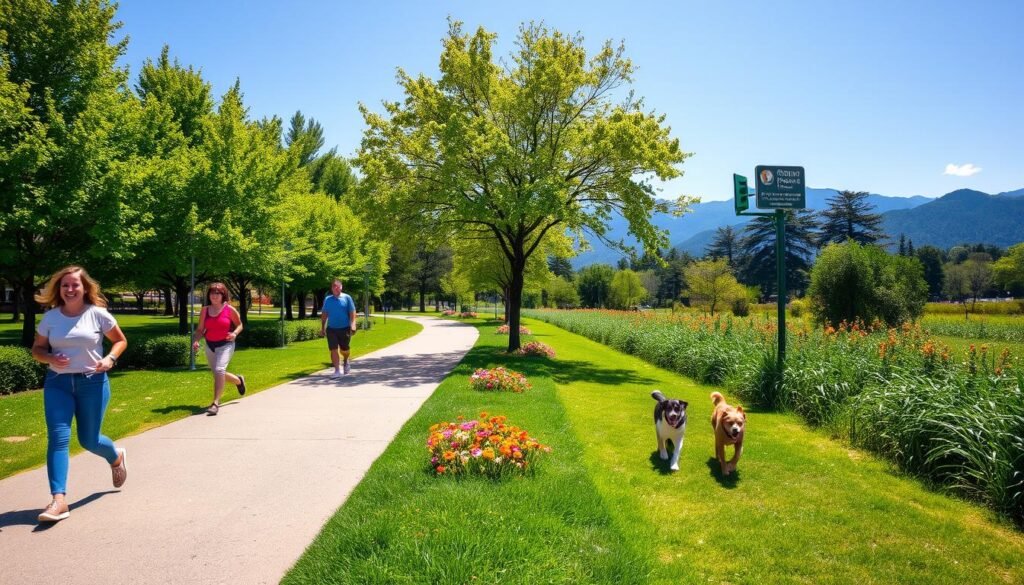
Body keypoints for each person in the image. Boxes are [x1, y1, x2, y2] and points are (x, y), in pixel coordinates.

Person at [30, 266, 129, 523]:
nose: (70, 289)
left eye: (75, 285)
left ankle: (115, 457)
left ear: (85, 288)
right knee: (58, 438)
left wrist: (110, 358)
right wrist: (50, 356)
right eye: (65, 285)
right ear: (58, 289)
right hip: (57, 384)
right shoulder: (51, 318)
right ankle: (59, 500)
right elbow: (37, 350)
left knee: (89, 440)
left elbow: (120, 341)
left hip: (92, 383)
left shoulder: (97, 314)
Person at [191, 282, 246, 415]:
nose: (214, 296)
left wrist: (234, 333)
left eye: (217, 293)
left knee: (219, 370)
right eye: (212, 293)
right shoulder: (205, 310)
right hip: (210, 345)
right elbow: (200, 330)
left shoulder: (229, 309)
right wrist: (197, 340)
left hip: (225, 344)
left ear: (223, 295)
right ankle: (238, 381)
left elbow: (240, 325)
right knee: (217, 373)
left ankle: (215, 403)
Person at [320, 278, 357, 378]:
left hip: (344, 328)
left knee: (345, 349)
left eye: (338, 286)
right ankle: (337, 370)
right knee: (333, 349)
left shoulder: (347, 298)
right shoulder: (328, 299)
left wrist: (353, 324)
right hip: (331, 329)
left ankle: (345, 360)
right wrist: (322, 327)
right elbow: (324, 314)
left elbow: (352, 312)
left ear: (341, 287)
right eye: (333, 286)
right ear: (331, 288)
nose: (336, 288)